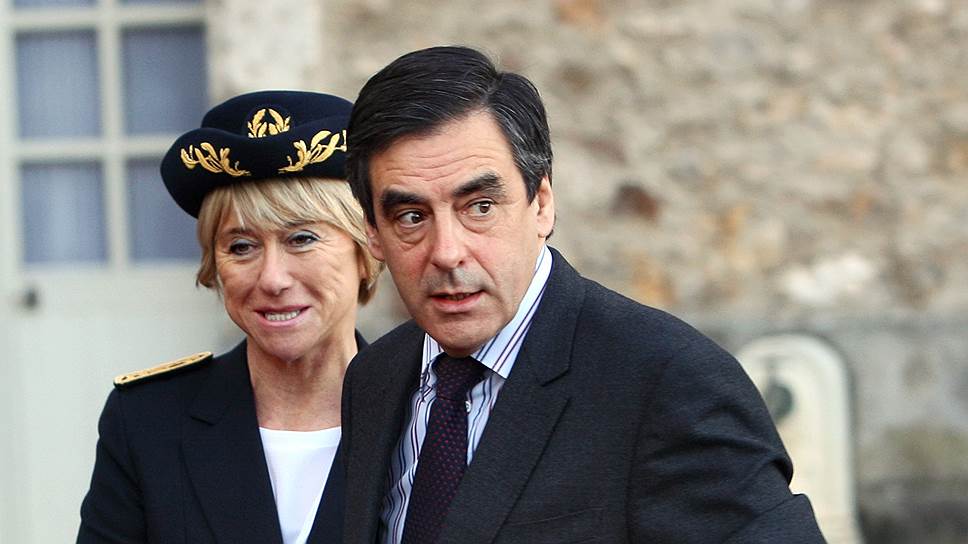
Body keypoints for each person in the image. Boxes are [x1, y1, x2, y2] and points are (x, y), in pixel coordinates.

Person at [339, 46, 825, 543]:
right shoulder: (375, 378)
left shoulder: (670, 381)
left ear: (541, 204)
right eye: (411, 217)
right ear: (373, 233)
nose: (446, 252)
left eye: (480, 207)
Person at [77, 90, 381, 544]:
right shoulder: (148, 420)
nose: (272, 278)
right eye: (241, 247)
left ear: (366, 249)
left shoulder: (425, 414)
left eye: (301, 239)